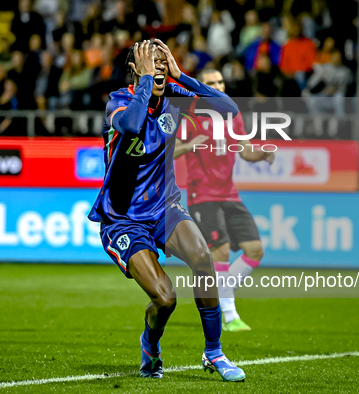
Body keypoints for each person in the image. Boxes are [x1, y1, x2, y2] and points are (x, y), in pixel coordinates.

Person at [88, 40, 246, 382]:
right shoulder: (120, 101)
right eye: (151, 62)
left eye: (163, 61)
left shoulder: (175, 95)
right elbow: (131, 126)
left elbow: (229, 110)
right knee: (165, 298)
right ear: (135, 68)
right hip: (123, 219)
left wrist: (183, 76)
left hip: (165, 207)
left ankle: (214, 351)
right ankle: (150, 343)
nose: (159, 67)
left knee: (203, 258)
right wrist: (146, 81)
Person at [173, 68, 274, 332]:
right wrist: (190, 144)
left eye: (219, 81)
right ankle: (229, 315)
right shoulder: (189, 114)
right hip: (202, 194)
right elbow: (168, 150)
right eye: (210, 83)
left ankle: (220, 291)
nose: (217, 86)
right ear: (200, 87)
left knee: (254, 250)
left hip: (229, 193)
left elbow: (245, 150)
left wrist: (262, 154)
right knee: (221, 250)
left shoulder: (233, 114)